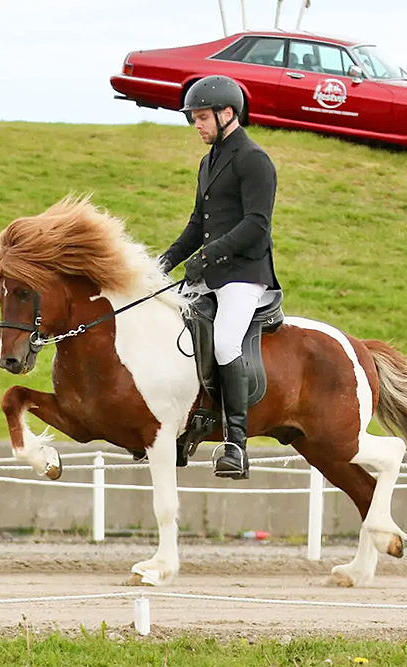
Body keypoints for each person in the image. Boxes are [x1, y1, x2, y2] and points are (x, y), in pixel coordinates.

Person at [158, 75, 280, 481]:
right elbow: (197, 224)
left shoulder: (254, 160)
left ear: (228, 114)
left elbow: (256, 226)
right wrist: (166, 262)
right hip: (213, 271)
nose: (197, 125)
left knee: (227, 340)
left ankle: (236, 444)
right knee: (173, 328)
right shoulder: (209, 161)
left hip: (244, 273)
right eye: (194, 118)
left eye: (202, 117)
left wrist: (209, 256)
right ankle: (181, 429)